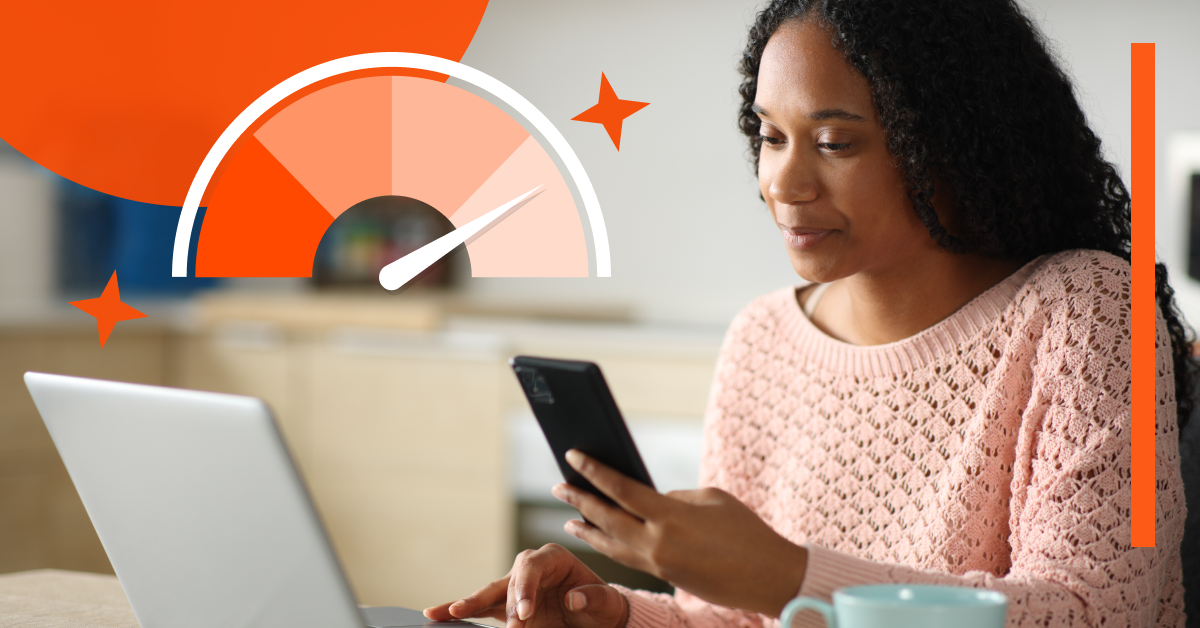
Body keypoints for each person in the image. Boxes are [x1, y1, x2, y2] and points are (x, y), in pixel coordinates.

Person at [425, 0, 1190, 626]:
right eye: (770, 136)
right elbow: (732, 618)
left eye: (833, 142)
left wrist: (789, 576)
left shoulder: (1086, 314)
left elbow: (1096, 613)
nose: (783, 182)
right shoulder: (761, 339)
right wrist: (614, 614)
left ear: (952, 148)